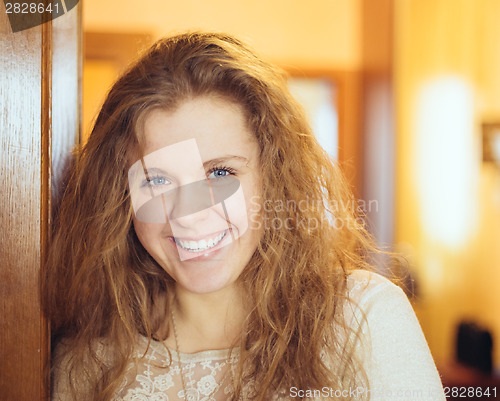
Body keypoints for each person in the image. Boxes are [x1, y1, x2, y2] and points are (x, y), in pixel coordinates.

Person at [43, 32, 446, 401]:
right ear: (122, 196)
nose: (190, 215)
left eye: (220, 173)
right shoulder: (87, 363)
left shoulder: (364, 320)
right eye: (157, 180)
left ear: (273, 180)